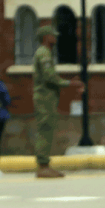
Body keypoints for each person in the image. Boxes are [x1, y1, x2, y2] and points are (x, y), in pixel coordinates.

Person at [32, 26, 82, 178]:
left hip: (47, 98)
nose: (55, 38)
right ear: (46, 37)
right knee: (45, 130)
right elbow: (50, 77)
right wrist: (69, 84)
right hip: (44, 98)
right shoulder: (44, 54)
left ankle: (44, 164)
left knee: (47, 130)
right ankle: (43, 166)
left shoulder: (46, 53)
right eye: (53, 35)